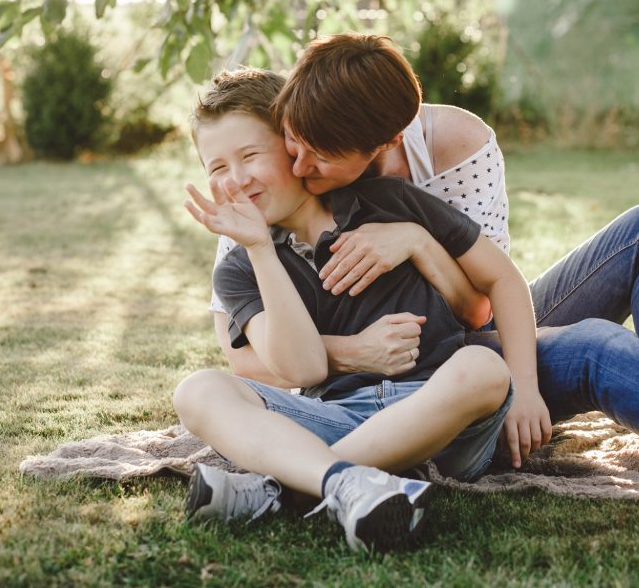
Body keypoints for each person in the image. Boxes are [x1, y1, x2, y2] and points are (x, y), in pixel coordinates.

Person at [202, 35, 639, 480]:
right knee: (591, 348)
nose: (298, 160)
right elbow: (252, 357)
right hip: (426, 367)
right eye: (290, 143)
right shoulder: (262, 225)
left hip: (473, 326)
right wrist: (352, 350)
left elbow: (482, 300)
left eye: (312, 153)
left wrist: (414, 243)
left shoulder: (430, 163)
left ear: (380, 145)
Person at [173, 68, 546, 553]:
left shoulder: (390, 201)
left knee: (483, 368)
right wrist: (262, 249)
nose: (237, 179)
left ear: (291, 145)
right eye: (217, 168)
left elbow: (502, 278)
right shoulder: (241, 270)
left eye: (250, 156)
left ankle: (281, 489)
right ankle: (348, 484)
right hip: (335, 415)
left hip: (439, 416)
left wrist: (527, 389)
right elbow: (302, 368)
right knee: (197, 390)